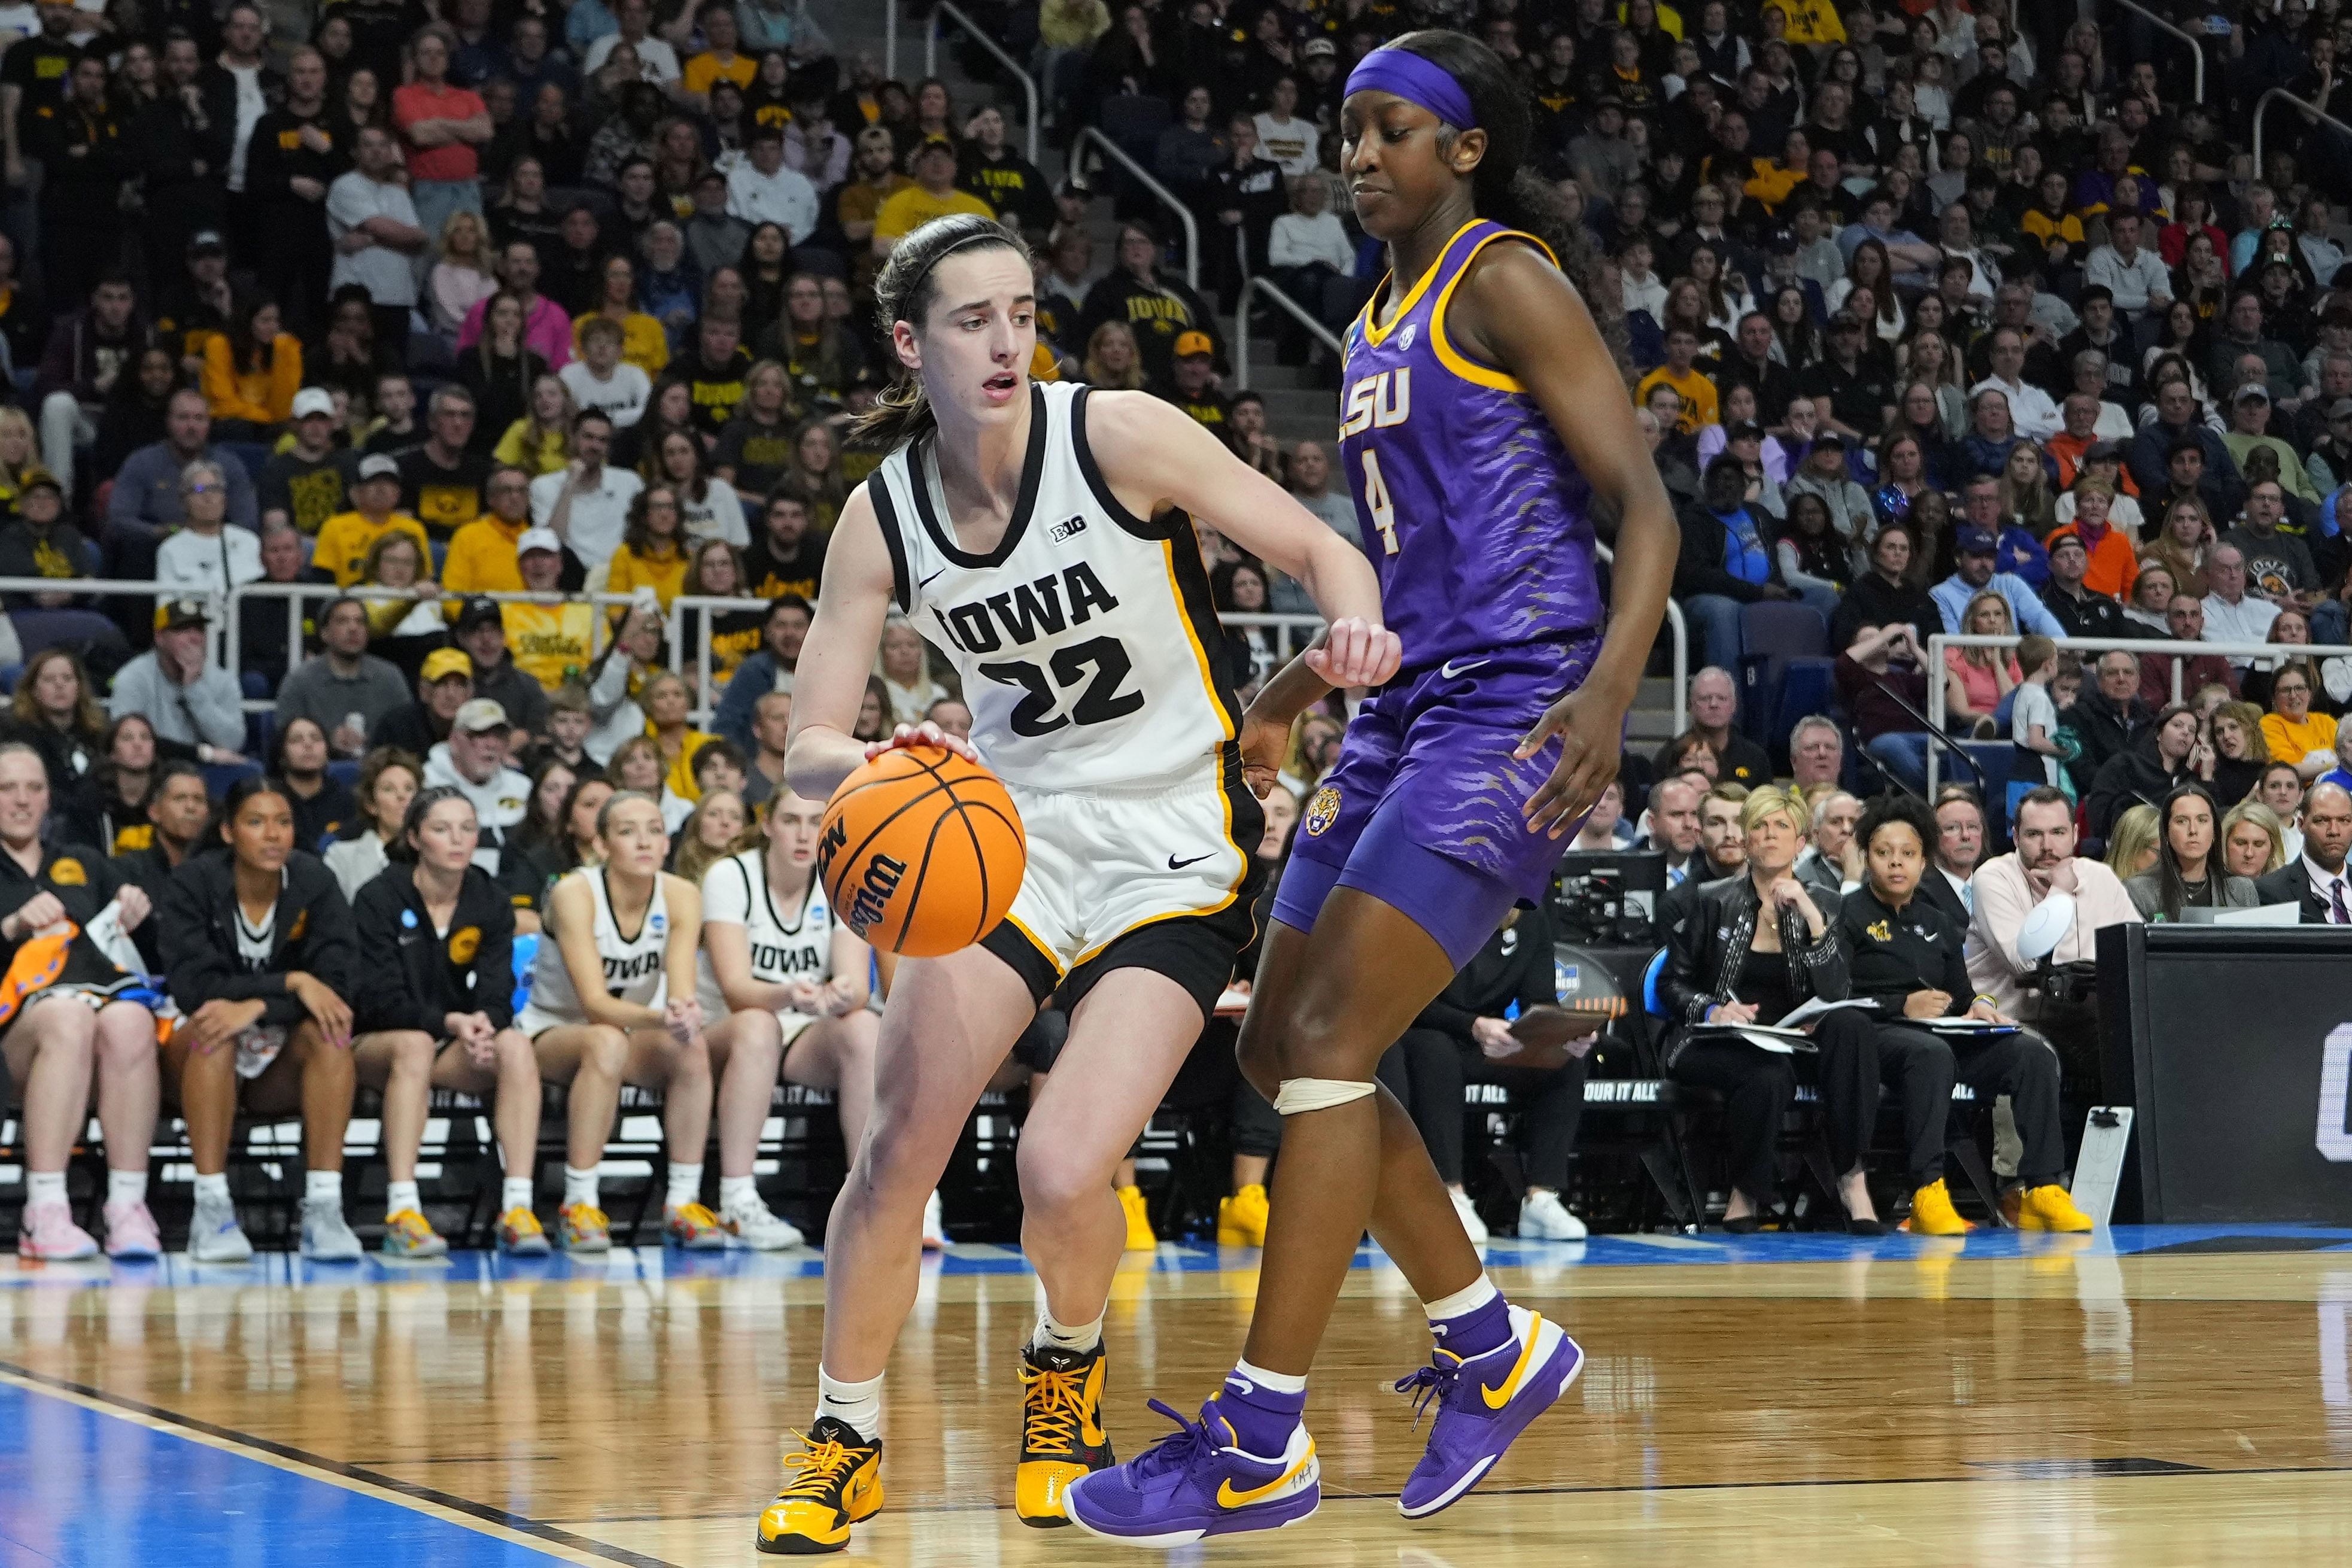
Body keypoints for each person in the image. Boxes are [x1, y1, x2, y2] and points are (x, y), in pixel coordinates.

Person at [1066, 36, 1676, 1546]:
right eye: (1345, 131)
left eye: (1388, 130)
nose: (1357, 154)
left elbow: (1648, 505)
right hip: (1405, 701)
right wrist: (1291, 689)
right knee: (1281, 1052)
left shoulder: (1503, 276)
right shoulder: (1371, 314)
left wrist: (1605, 692)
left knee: (1336, 1036)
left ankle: (1261, 1437)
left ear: (1461, 151)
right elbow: (1400, 557)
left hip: (1518, 706)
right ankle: (1495, 1347)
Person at [755, 190, 1403, 1541]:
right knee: (895, 1159)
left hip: (1177, 838)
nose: (1006, 343)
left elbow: (1323, 548)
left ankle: (1065, 1376)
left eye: (1024, 316)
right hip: (1008, 838)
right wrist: (870, 766)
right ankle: (844, 1436)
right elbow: (809, 740)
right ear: (905, 345)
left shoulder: (1115, 433)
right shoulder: (881, 519)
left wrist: (1351, 628)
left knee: (1061, 1168)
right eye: (972, 320)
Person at [1838, 795, 2091, 1234]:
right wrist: (1901, 1005)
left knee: (2029, 1054)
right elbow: (1837, 996)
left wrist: (1981, 1007)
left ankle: (2043, 1187)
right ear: (1866, 858)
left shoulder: (1937, 920)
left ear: (1923, 863)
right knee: (1929, 1053)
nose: (1896, 864)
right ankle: (1927, 1191)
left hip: (1943, 1034)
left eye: (1908, 854)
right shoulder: (1849, 913)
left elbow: (1963, 992)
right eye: (1884, 854)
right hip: (1878, 1036)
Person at [159, 777, 363, 1263]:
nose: (273, 835)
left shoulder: (315, 882)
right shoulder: (194, 882)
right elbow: (195, 989)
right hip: (195, 1058)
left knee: (331, 1034)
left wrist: (260, 1006)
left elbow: (338, 987)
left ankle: (324, 1210)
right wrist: (290, 983)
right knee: (215, 1030)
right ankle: (211, 1210)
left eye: (284, 822)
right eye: (256, 822)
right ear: (229, 832)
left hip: (278, 1061)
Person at [350, 786, 549, 1257]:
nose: (458, 840)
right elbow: (376, 1000)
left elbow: (501, 991)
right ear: (416, 838)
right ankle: (403, 1211)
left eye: (467, 829)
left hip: (454, 1039)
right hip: (379, 1042)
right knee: (415, 1046)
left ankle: (517, 1209)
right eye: (442, 829)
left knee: (516, 1046)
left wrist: (485, 1023)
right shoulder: (378, 898)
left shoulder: (489, 898)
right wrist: (450, 1023)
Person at [517, 789, 718, 1253]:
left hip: (631, 1033)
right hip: (551, 1031)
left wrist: (684, 1014)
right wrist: (660, 1017)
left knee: (692, 1047)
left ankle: (683, 1203)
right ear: (602, 847)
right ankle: (579, 1203)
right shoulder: (574, 893)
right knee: (605, 1039)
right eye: (628, 832)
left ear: (668, 844)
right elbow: (595, 1004)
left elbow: (682, 987)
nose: (645, 842)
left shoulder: (683, 895)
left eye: (654, 831)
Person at [698, 786, 888, 1250]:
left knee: (863, 1028)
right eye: (790, 821)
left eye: (814, 822)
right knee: (759, 1025)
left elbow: (857, 986)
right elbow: (736, 990)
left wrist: (838, 995)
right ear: (766, 825)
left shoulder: (843, 876)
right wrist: (790, 994)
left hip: (799, 1026)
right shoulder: (729, 876)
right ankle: (737, 1199)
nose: (804, 835)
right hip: (724, 1026)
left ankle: (868, 1197)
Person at [0, 744, 166, 1260]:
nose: (22, 800)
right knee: (67, 1015)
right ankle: (44, 1210)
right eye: (7, 788)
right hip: (17, 1036)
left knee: (133, 1019)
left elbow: (149, 949)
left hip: (97, 1036)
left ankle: (127, 1207)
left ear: (50, 798)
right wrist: (11, 926)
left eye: (34, 788)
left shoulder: (86, 861)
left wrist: (139, 913)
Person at [1660, 786, 1847, 1227]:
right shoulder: (1711, 899)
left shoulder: (1826, 902)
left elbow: (1837, 992)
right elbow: (1672, 983)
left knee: (1838, 1048)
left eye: (1781, 826)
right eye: (1758, 826)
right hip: (1715, 1043)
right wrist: (1711, 1010)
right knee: (1765, 1076)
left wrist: (1811, 918)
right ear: (1745, 840)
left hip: (1793, 1044)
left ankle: (1845, 1192)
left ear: (1801, 843)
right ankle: (1745, 1198)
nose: (1769, 835)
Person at [1379, 902, 1595, 1244]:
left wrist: (1561, 1034)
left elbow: (1539, 998)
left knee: (1566, 1063)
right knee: (1433, 1051)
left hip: (1495, 1037)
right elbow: (1409, 998)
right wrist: (1472, 1026)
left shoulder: (1533, 920)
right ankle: (1451, 1194)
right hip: (1427, 1029)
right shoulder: (1434, 912)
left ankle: (1541, 1198)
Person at [1965, 785, 2143, 1027]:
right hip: (2013, 1025)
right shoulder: (1993, 878)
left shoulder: (2101, 876)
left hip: (2089, 1019)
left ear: (2076, 834)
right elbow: (2025, 965)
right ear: (2016, 837)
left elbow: (2137, 953)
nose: (2047, 845)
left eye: (2058, 832)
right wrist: (2060, 892)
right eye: (2034, 834)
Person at [108, 598, 247, 764]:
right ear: (160, 637)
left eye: (199, 629)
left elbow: (233, 743)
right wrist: (203, 753)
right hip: (154, 767)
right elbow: (126, 742)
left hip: (206, 770)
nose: (194, 638)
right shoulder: (133, 678)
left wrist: (194, 689)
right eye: (182, 630)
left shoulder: (222, 679)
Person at [2122, 782, 2263, 921]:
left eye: (2202, 820)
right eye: (2182, 821)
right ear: (2166, 832)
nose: (2193, 830)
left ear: (2214, 831)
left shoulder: (2242, 891)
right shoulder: (2139, 891)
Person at [421, 699, 531, 874]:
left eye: (499, 736)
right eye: (480, 735)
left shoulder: (523, 788)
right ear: (455, 741)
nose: (491, 744)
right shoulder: (426, 785)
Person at [2254, 780, 2352, 922]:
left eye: (2344, 820)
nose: (2334, 831)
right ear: (2301, 824)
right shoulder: (2271, 891)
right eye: (2322, 820)